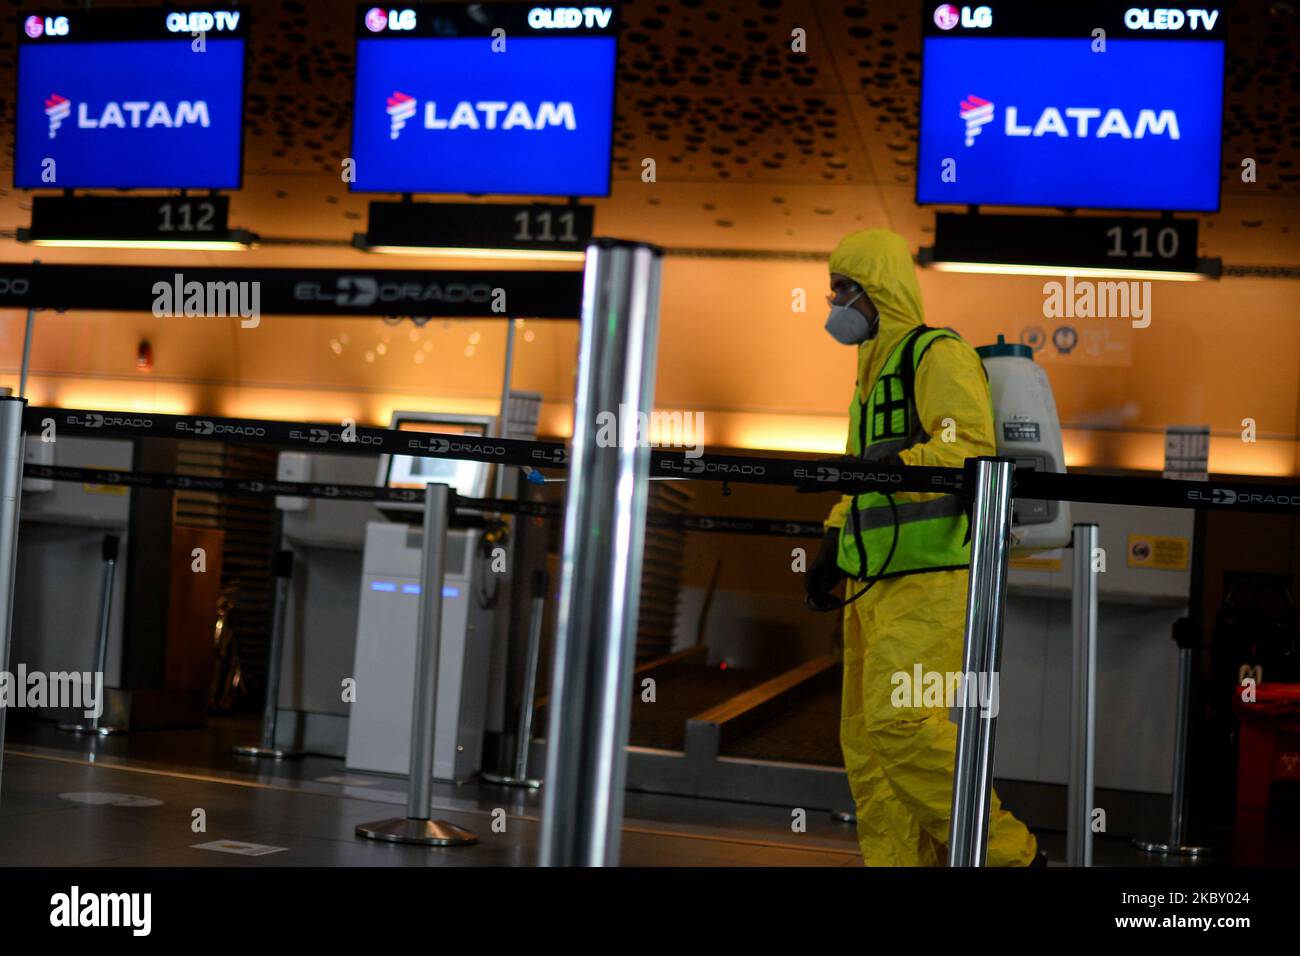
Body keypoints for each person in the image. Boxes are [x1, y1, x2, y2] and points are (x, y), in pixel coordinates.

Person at [805, 228, 1042, 867]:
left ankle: (1009, 856)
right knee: (867, 744)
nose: (836, 305)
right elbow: (860, 470)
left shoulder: (935, 353)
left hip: (930, 578)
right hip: (873, 577)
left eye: (845, 291)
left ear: (878, 291)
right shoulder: (870, 376)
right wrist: (833, 536)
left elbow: (967, 445)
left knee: (901, 726)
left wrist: (896, 461)